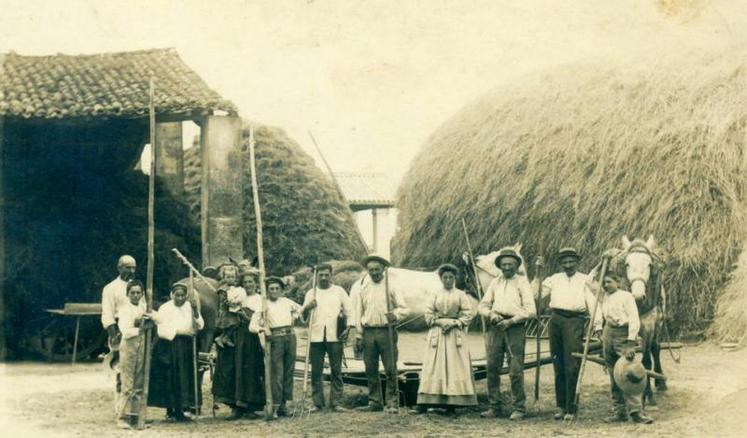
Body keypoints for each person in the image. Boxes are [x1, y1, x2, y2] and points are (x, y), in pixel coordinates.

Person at [534, 247, 602, 421]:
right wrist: (537, 273)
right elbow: (536, 293)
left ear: (577, 262)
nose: (568, 265)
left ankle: (571, 407)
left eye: (571, 261)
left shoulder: (585, 279)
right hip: (556, 320)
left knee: (572, 364)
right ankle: (560, 406)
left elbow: (593, 303)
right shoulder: (554, 279)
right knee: (558, 365)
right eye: (565, 262)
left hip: (574, 321)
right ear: (561, 263)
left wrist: (598, 325)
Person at [411, 263, 477, 416]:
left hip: (455, 334)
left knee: (454, 366)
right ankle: (425, 402)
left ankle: (451, 404)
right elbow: (428, 312)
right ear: (441, 279)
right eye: (445, 277)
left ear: (455, 278)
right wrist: (439, 322)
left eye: (451, 277)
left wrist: (455, 322)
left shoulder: (461, 295)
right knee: (434, 366)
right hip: (438, 333)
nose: (448, 280)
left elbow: (468, 313)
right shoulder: (434, 294)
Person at [478, 248, 536, 420]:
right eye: (504, 264)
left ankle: (519, 407)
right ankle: (494, 407)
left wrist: (511, 321)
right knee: (492, 367)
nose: (507, 267)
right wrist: (492, 315)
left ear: (516, 265)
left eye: (510, 264)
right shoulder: (495, 282)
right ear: (500, 266)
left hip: (514, 328)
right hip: (496, 327)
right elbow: (482, 306)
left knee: (515, 369)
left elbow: (531, 311)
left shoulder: (522, 282)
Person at [351, 255, 410, 414]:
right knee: (370, 368)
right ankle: (375, 401)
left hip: (387, 331)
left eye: (377, 269)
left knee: (390, 368)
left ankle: (392, 403)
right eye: (371, 270)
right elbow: (358, 312)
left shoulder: (391, 286)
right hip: (369, 331)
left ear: (383, 269)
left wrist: (395, 314)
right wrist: (359, 333)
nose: (374, 273)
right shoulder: (364, 287)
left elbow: (405, 309)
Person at [598, 271, 653, 424]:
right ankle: (619, 411)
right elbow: (589, 282)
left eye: (609, 282)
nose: (605, 285)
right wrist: (599, 266)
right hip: (608, 332)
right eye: (604, 282)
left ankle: (636, 411)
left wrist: (630, 342)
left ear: (618, 281)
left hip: (623, 334)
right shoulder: (604, 296)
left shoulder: (626, 296)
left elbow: (634, 319)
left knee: (630, 371)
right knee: (613, 373)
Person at [212, 269, 265, 420]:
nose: (248, 284)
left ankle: (249, 407)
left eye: (251, 281)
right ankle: (235, 407)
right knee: (232, 369)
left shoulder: (260, 299)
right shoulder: (235, 294)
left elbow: (262, 320)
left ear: (255, 283)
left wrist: (247, 317)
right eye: (245, 282)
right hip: (235, 336)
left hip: (250, 338)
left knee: (250, 370)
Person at [148, 282, 204, 422]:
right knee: (170, 377)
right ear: (172, 295)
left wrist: (196, 310)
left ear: (186, 296)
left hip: (186, 348)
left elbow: (200, 325)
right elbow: (162, 330)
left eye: (182, 295)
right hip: (169, 346)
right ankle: (170, 410)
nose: (180, 298)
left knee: (184, 377)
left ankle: (180, 410)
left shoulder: (189, 307)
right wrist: (183, 332)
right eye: (177, 295)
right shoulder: (165, 308)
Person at [250, 276, 305, 418]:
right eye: (271, 289)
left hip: (290, 337)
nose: (274, 291)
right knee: (277, 374)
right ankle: (274, 406)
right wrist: (262, 329)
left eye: (277, 289)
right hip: (275, 340)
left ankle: (283, 405)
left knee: (288, 372)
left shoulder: (287, 302)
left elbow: (301, 310)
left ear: (281, 290)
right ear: (267, 291)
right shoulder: (263, 305)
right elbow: (252, 326)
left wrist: (295, 316)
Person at [302, 263, 354, 413]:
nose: (324, 278)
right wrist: (307, 307)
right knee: (316, 371)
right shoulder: (311, 293)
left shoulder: (339, 291)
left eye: (326, 275)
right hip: (316, 337)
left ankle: (336, 402)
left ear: (331, 275)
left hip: (334, 336)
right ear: (316, 276)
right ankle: (317, 403)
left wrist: (348, 328)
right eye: (321, 275)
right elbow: (302, 316)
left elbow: (350, 311)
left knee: (336, 370)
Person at [101, 255, 138, 411]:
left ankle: (134, 410)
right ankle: (120, 409)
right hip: (119, 331)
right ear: (119, 268)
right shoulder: (110, 288)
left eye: (133, 267)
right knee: (121, 371)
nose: (131, 270)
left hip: (136, 331)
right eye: (128, 267)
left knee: (136, 372)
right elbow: (107, 313)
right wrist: (114, 335)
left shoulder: (136, 287)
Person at [114, 280, 149, 429]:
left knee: (139, 382)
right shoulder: (124, 309)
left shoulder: (143, 307)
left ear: (142, 294)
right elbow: (126, 331)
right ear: (128, 294)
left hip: (141, 345)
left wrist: (151, 319)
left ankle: (135, 416)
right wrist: (141, 328)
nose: (135, 295)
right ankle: (122, 417)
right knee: (127, 383)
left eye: (138, 293)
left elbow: (158, 319)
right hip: (128, 345)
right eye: (132, 293)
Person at [215, 264, 248, 348]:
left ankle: (224, 337)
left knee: (235, 324)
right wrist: (230, 303)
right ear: (224, 277)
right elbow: (223, 300)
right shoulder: (223, 289)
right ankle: (223, 337)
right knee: (232, 324)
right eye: (228, 277)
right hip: (226, 311)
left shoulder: (234, 288)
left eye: (232, 277)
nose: (230, 279)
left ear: (235, 278)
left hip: (232, 310)